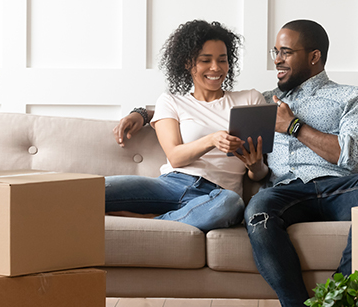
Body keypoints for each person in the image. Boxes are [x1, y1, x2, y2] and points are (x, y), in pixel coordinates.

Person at [113, 19, 358, 307]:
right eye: (275, 52)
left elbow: (350, 156)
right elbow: (200, 105)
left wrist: (292, 126)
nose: (277, 60)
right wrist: (141, 113)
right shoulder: (264, 101)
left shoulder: (353, 96)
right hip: (285, 193)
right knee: (258, 209)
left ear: (314, 56)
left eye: (286, 53)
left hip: (340, 187)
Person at [105, 20, 269, 233]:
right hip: (170, 185)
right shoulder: (171, 101)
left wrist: (256, 167)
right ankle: (176, 219)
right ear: (187, 63)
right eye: (205, 60)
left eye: (222, 60)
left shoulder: (251, 99)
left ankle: (152, 222)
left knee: (232, 205)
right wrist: (211, 140)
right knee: (92, 189)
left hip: (217, 194)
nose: (216, 68)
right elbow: (175, 156)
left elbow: (260, 171)